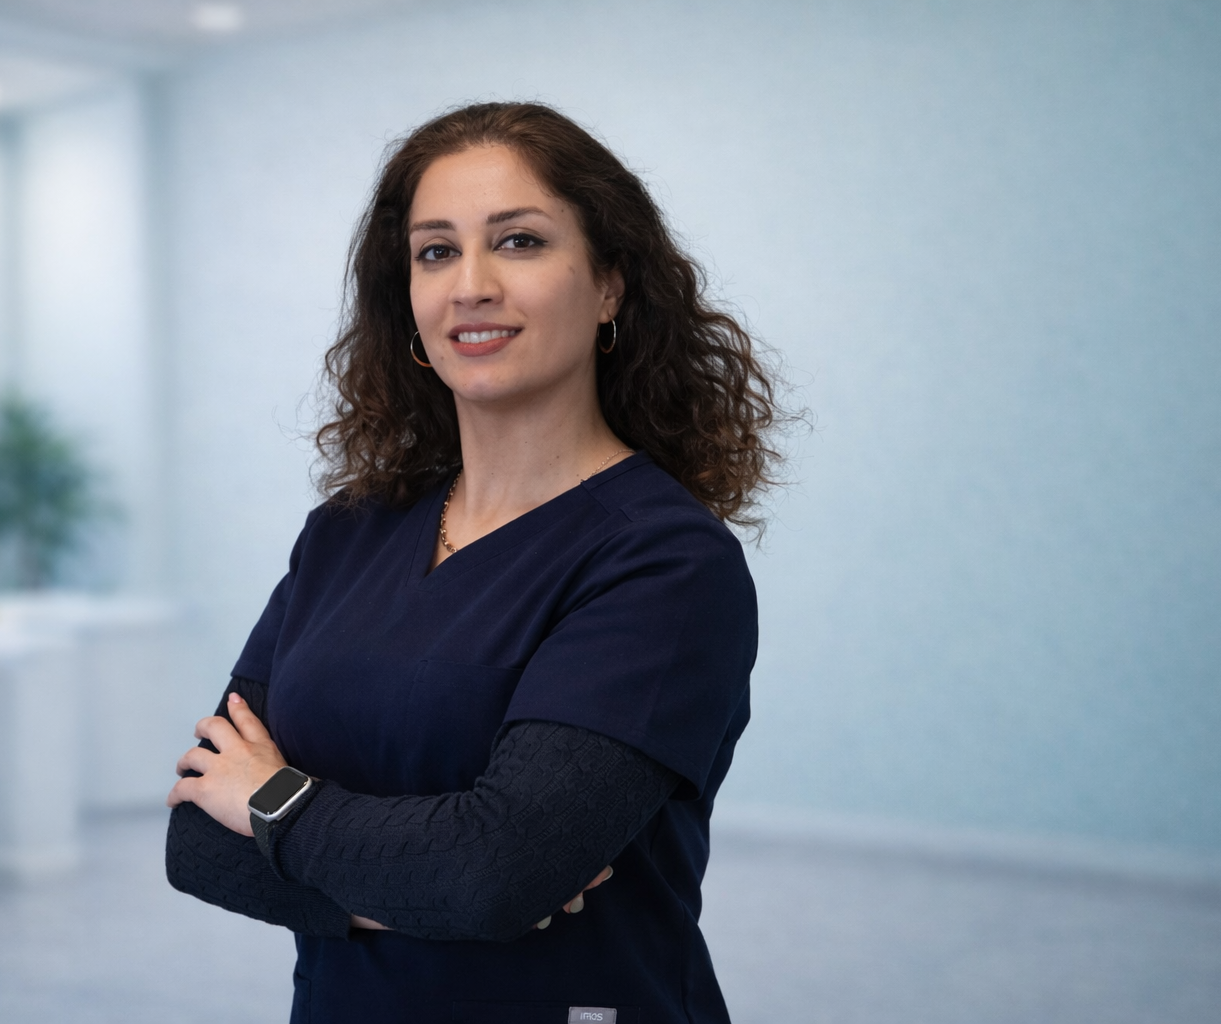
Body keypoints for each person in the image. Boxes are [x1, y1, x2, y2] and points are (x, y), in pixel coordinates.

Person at [164, 101, 783, 1023]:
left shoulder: (666, 562)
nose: (471, 286)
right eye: (436, 251)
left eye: (521, 242)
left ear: (610, 284)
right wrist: (419, 888)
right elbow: (196, 841)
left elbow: (492, 875)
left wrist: (274, 801)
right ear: (407, 302)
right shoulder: (346, 533)